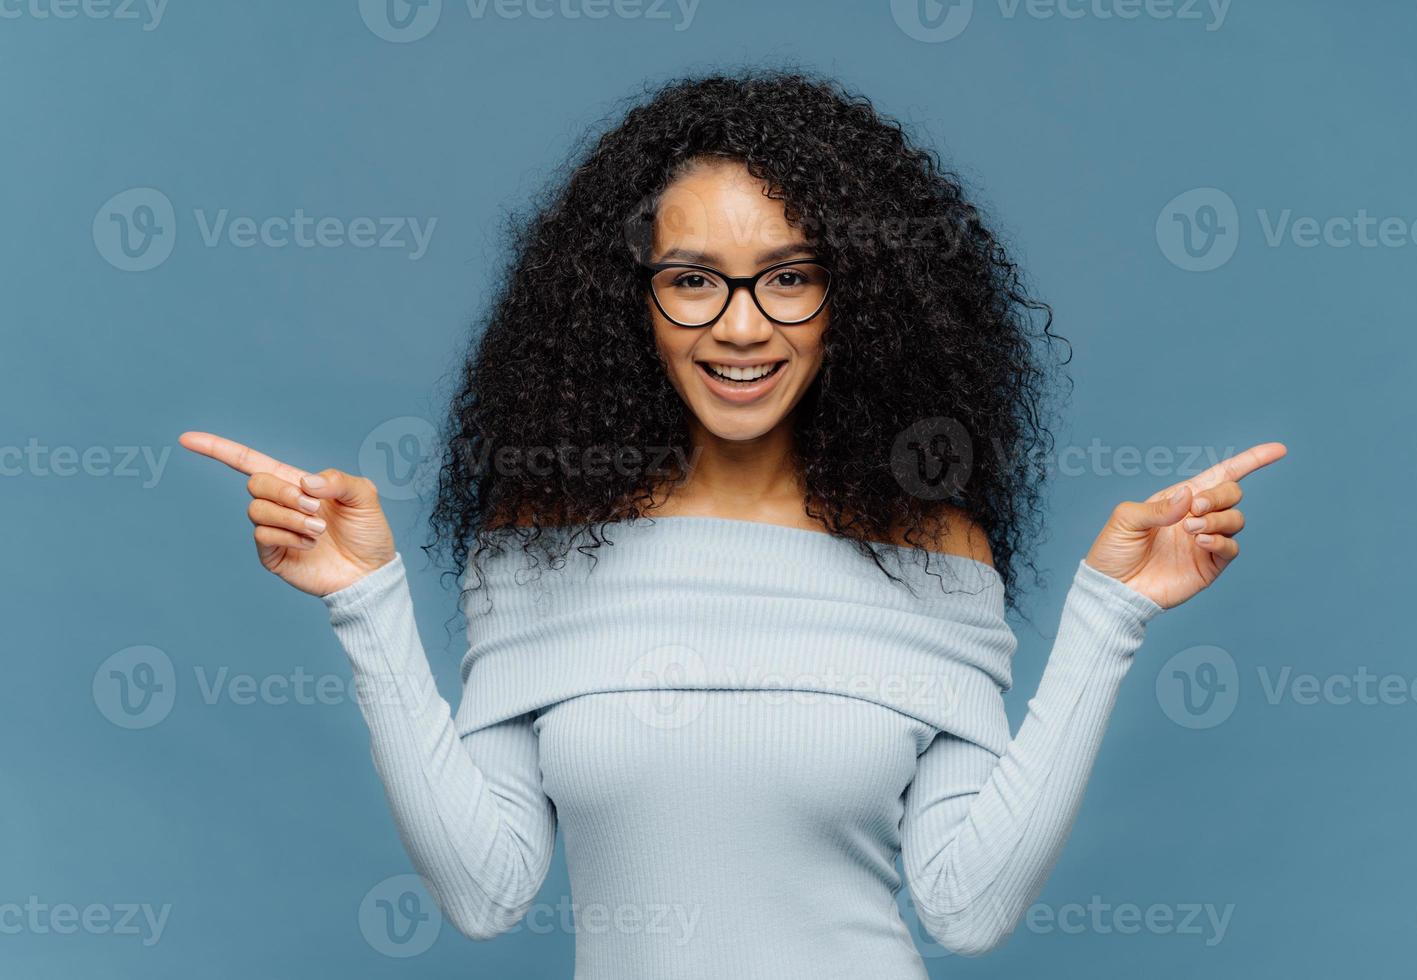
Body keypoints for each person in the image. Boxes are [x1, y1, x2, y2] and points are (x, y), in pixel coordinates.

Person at [180, 70, 1285, 979]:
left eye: (789, 278)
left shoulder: (932, 551)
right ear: (630, 299)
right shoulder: (542, 542)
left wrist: (1111, 613)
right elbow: (484, 887)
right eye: (693, 280)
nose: (742, 327)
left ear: (850, 298)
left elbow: (968, 905)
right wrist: (365, 603)